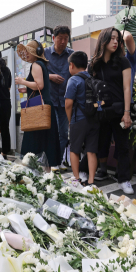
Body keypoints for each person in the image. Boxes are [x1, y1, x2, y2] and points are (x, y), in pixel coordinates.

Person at [91, 27, 134, 194]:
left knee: (122, 145)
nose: (116, 42)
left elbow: (126, 88)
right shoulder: (94, 63)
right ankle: (90, 173)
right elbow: (90, 89)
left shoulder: (123, 61)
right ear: (104, 40)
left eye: (118, 39)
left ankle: (124, 180)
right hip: (100, 110)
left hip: (119, 110)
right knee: (99, 143)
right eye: (112, 39)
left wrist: (127, 112)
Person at [15, 40, 60, 169]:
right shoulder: (41, 64)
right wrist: (27, 88)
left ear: (36, 53)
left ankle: (33, 173)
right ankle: (47, 174)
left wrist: (23, 82)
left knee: (33, 143)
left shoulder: (35, 64)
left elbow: (39, 85)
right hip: (44, 107)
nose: (26, 53)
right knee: (46, 143)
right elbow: (39, 86)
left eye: (29, 51)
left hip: (38, 109)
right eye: (26, 51)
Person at [65, 51, 98, 186]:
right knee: (91, 150)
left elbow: (68, 103)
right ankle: (91, 181)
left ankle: (77, 179)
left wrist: (69, 121)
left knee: (75, 150)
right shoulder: (93, 79)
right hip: (94, 119)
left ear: (71, 65)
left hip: (78, 119)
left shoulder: (73, 80)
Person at [44, 25, 73, 170]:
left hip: (66, 101)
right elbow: (35, 71)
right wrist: (50, 76)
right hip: (49, 100)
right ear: (54, 38)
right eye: (60, 38)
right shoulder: (44, 54)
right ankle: (49, 162)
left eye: (66, 39)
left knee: (63, 134)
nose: (63, 41)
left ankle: (57, 161)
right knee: (51, 133)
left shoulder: (72, 55)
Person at [0, 49, 12, 157]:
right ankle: (5, 152)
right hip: (6, 102)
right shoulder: (7, 70)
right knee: (5, 128)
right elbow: (8, 87)